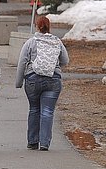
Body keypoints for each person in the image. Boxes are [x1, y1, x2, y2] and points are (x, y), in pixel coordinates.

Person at [15, 14, 69, 152]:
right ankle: (44, 143)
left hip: (33, 80)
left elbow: (22, 62)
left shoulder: (31, 42)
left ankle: (32, 142)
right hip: (53, 80)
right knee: (47, 111)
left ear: (37, 27)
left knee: (34, 109)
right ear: (49, 27)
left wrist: (19, 81)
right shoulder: (57, 42)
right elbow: (65, 60)